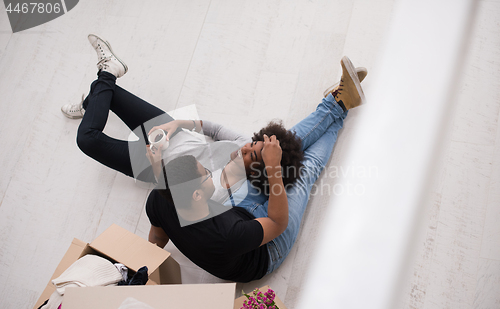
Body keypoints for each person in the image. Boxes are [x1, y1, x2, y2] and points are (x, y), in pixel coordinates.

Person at [147, 56, 366, 281]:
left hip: (238, 215)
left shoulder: (159, 198)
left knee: (277, 149)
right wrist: (273, 169)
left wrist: (145, 269)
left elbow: (156, 236)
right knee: (305, 171)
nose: (210, 174)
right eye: (205, 175)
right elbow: (278, 223)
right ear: (196, 195)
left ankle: (337, 103)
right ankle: (341, 104)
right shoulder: (226, 235)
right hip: (266, 248)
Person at [66, 34, 305, 208]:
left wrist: (157, 164)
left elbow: (175, 199)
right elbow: (217, 129)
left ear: (258, 173)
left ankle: (99, 89)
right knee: (113, 95)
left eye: (250, 155)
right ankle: (94, 101)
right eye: (252, 144)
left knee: (87, 139)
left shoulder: (225, 191)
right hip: (171, 133)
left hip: (152, 162)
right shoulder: (242, 144)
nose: (244, 148)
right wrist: (179, 124)